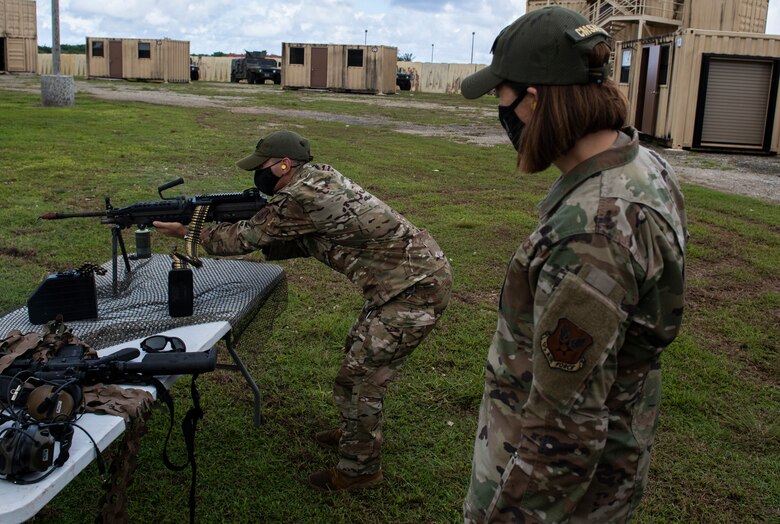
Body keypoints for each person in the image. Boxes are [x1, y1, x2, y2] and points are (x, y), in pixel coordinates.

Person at [459, 6, 687, 523]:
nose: (500, 111)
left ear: (533, 100)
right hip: (613, 464)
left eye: (502, 96)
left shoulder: (592, 232)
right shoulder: (644, 163)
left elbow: (564, 429)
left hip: (556, 492)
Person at [153, 129, 452, 492]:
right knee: (354, 355)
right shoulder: (317, 177)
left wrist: (189, 232)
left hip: (414, 289)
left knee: (361, 379)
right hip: (401, 281)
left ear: (283, 165)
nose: (257, 175)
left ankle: (360, 471)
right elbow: (299, 236)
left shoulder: (303, 196)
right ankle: (353, 432)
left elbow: (243, 239)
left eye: (261, 167)